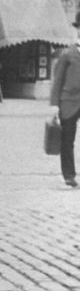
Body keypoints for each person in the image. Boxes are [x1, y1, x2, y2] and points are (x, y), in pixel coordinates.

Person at [50, 11, 80, 188]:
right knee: (67, 140)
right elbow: (58, 81)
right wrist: (54, 105)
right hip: (68, 102)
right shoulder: (67, 54)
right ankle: (69, 175)